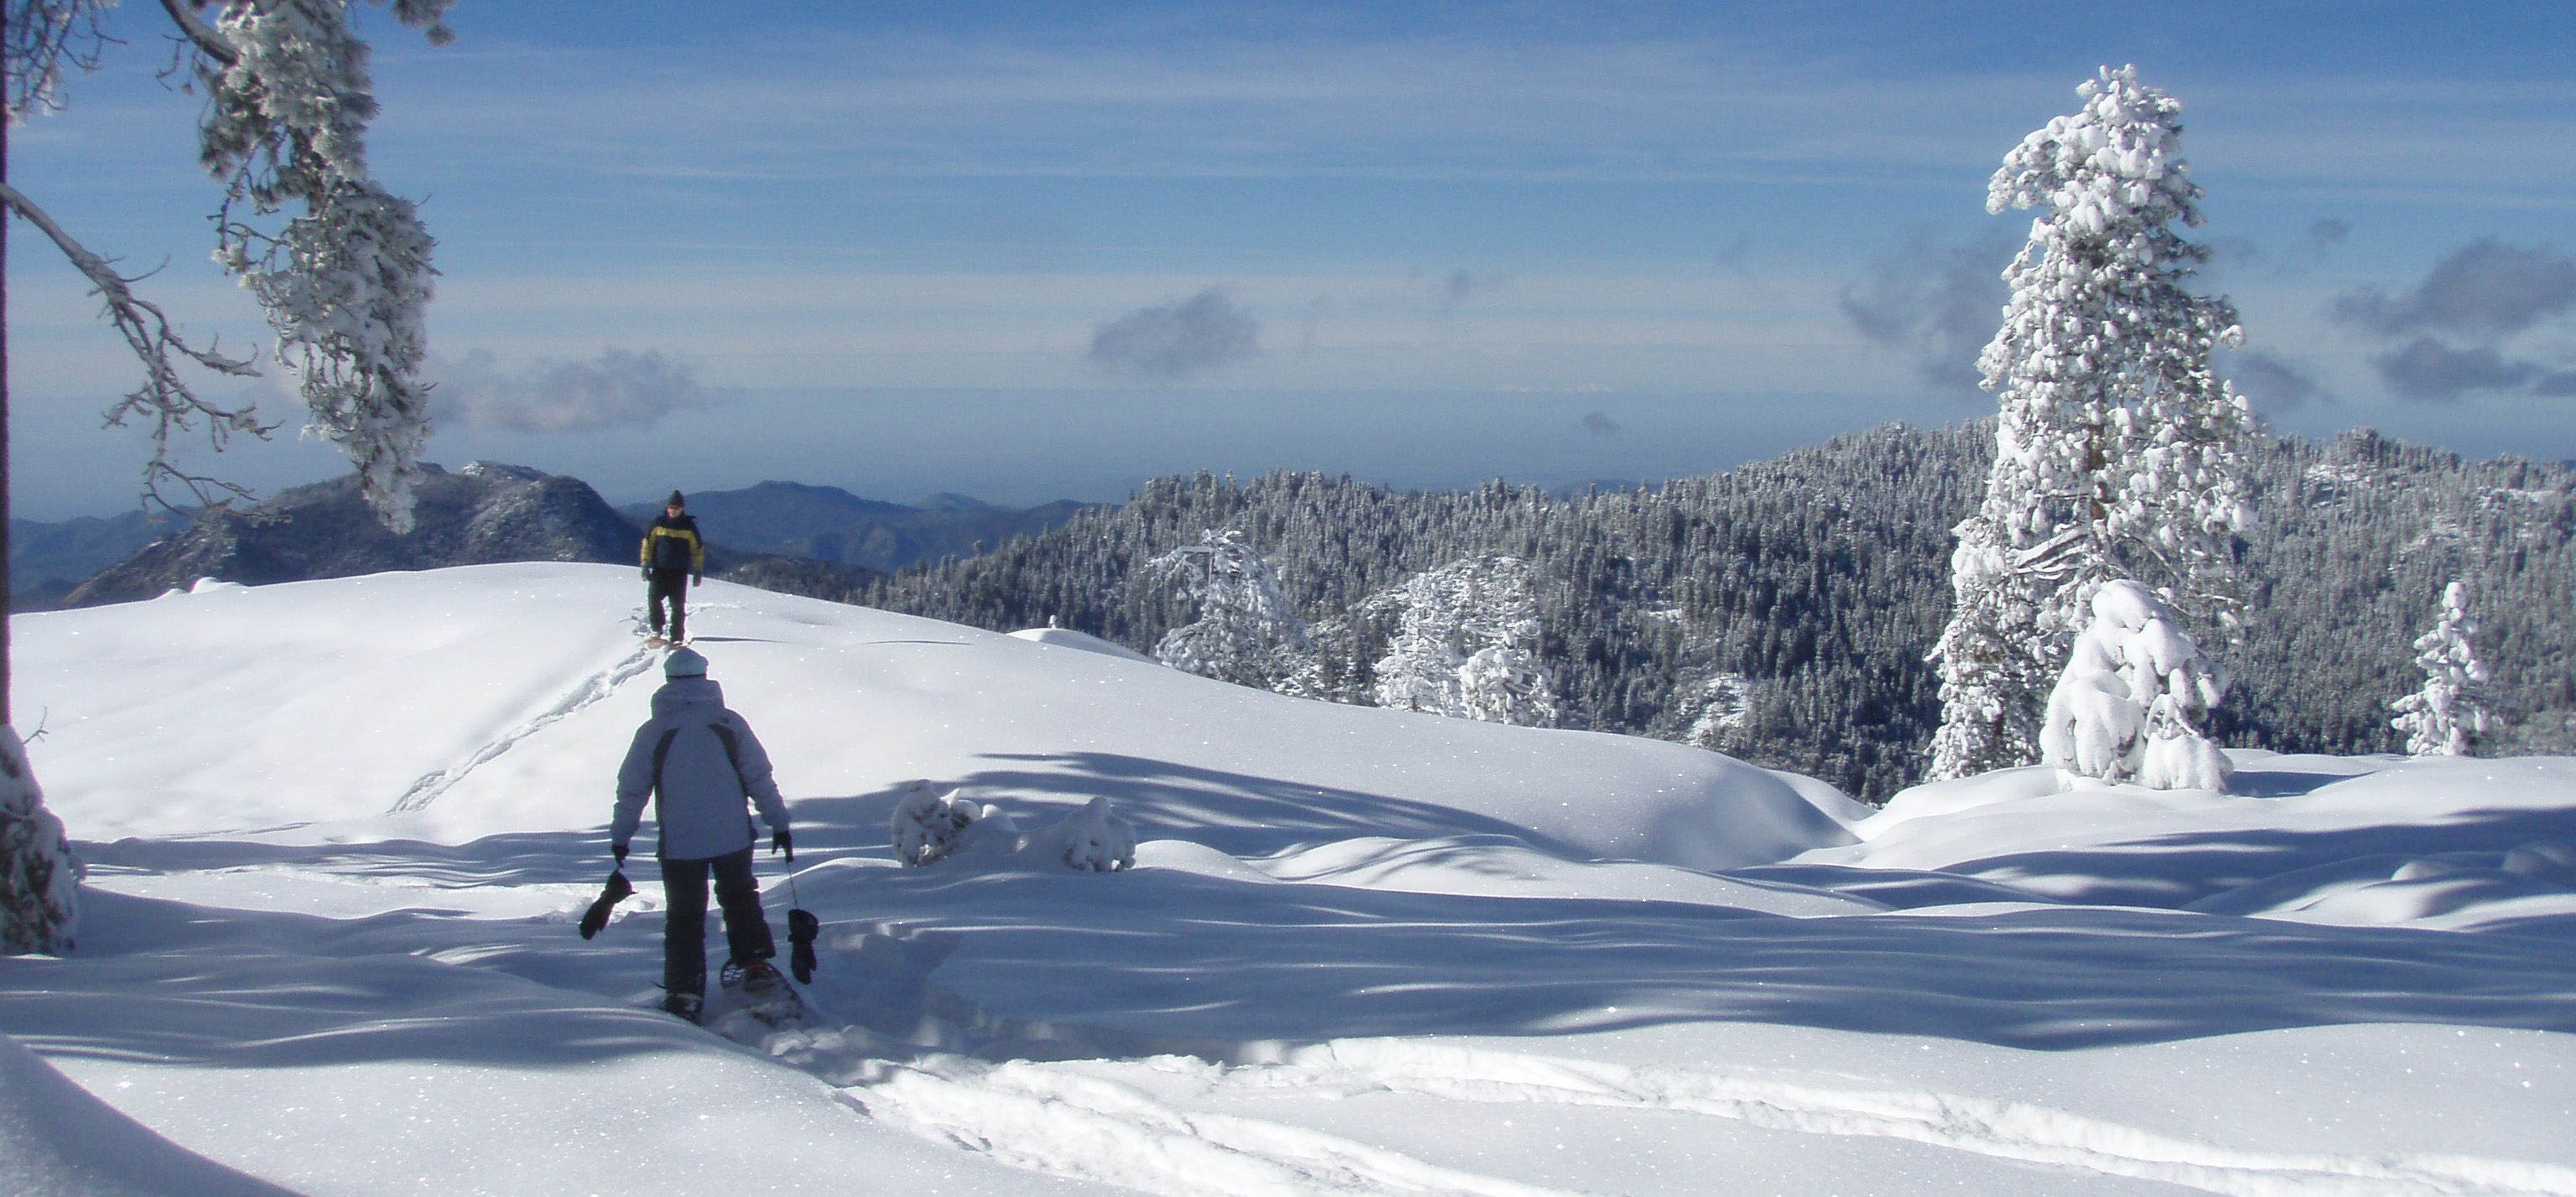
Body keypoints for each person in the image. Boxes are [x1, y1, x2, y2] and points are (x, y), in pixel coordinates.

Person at [611, 647, 794, 1023]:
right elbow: (758, 776)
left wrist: (621, 835)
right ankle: (755, 965)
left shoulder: (654, 731)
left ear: (668, 682)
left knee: (684, 919)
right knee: (741, 898)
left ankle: (684, 994)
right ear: (705, 677)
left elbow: (632, 790)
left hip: (681, 844)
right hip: (732, 836)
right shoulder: (729, 722)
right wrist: (779, 823)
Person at [641, 490, 704, 644]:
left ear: (681, 508)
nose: (673, 510)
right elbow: (648, 544)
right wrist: (645, 564)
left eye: (676, 508)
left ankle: (677, 637)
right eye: (671, 507)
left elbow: (697, 550)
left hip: (679, 572)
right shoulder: (658, 523)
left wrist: (697, 571)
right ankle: (657, 628)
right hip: (660, 569)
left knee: (677, 606)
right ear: (667, 508)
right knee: (654, 599)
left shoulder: (688, 527)